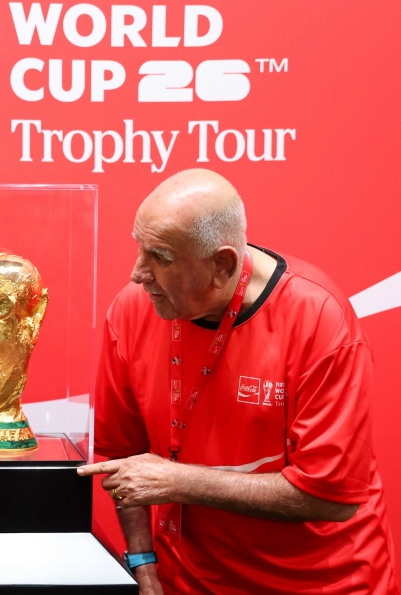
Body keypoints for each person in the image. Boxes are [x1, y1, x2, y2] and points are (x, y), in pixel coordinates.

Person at [79, 169, 398, 594]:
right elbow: (122, 457)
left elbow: (332, 497)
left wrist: (180, 481)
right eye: (140, 249)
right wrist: (142, 562)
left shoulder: (318, 320)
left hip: (326, 582)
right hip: (189, 580)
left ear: (222, 264)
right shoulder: (133, 311)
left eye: (161, 257)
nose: (139, 273)